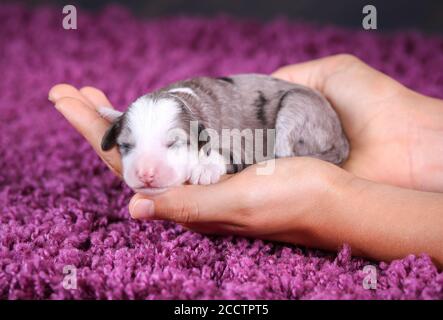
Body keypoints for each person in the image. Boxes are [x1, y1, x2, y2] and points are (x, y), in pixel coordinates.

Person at [49, 54, 443, 267]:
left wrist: (331, 202)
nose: (146, 169)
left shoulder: (210, 127)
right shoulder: (161, 112)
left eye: (173, 145)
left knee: (285, 125)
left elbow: (234, 148)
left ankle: (296, 157)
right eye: (130, 146)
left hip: (297, 115)